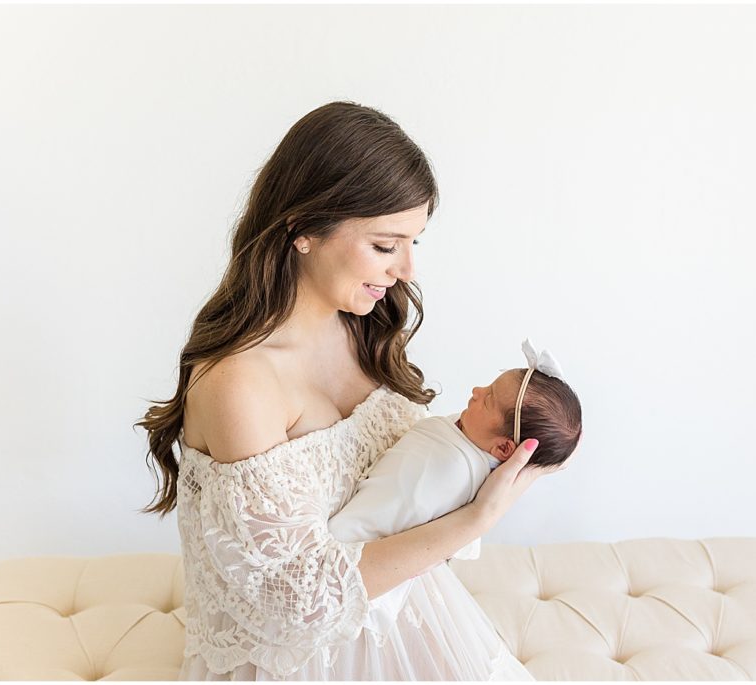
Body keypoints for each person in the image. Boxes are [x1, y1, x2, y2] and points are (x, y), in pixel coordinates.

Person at [135, 101, 573, 680]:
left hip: (409, 622)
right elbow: (294, 605)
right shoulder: (240, 384)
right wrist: (473, 523)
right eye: (387, 245)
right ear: (302, 230)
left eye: (414, 242)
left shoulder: (362, 324)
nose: (407, 270)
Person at [328, 341, 583, 639]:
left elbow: (385, 511)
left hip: (352, 562)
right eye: (488, 386)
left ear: (503, 448)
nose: (476, 391)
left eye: (487, 399)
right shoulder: (473, 442)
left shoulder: (445, 468)